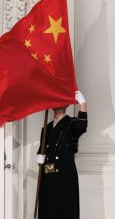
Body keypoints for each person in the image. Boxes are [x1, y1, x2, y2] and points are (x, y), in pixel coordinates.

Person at [36, 91, 88, 219]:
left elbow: (82, 126)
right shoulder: (46, 128)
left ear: (67, 104)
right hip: (48, 176)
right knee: (48, 209)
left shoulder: (71, 124)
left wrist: (83, 104)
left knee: (64, 210)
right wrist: (39, 157)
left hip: (65, 176)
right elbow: (42, 150)